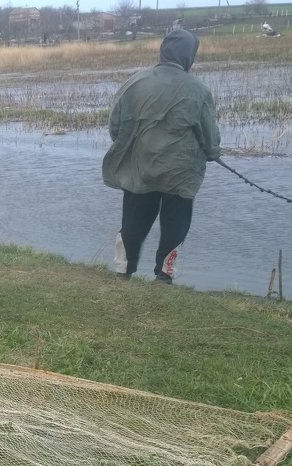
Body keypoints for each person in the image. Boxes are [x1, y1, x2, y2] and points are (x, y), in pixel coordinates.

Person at [102, 29, 221, 284]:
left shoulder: (134, 82)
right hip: (180, 172)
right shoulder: (199, 90)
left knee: (133, 219)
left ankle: (123, 272)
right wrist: (213, 153)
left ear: (163, 51)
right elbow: (210, 137)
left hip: (139, 168)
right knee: (175, 222)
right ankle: (164, 276)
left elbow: (115, 126)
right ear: (189, 56)